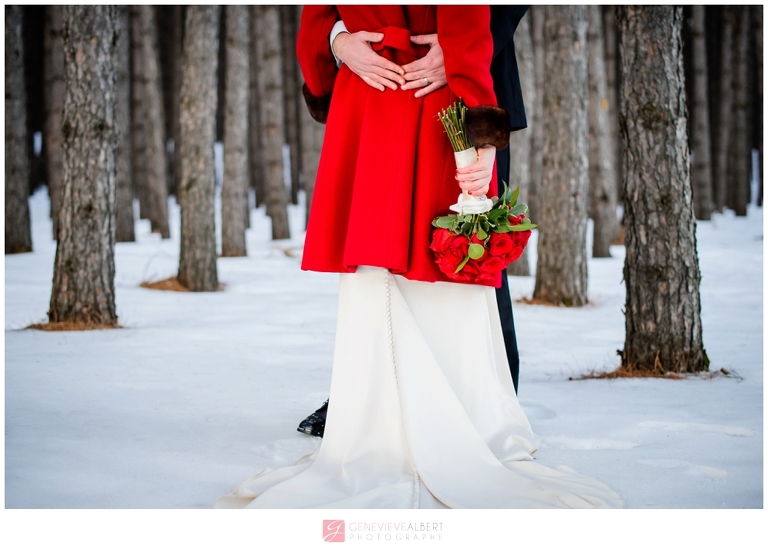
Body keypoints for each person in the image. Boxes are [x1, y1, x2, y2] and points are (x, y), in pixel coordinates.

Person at [216, 5, 622, 509]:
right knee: (445, 263)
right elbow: (463, 19)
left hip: (377, 96)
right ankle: (454, 417)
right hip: (441, 98)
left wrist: (328, 59)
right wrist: (341, 42)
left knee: (389, 260)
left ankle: (384, 420)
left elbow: (318, 15)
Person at [297, 6, 528, 438]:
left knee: (449, 249)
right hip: (426, 86)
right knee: (431, 253)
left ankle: (465, 397)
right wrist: (339, 42)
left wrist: (457, 51)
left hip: (425, 86)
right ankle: (374, 399)